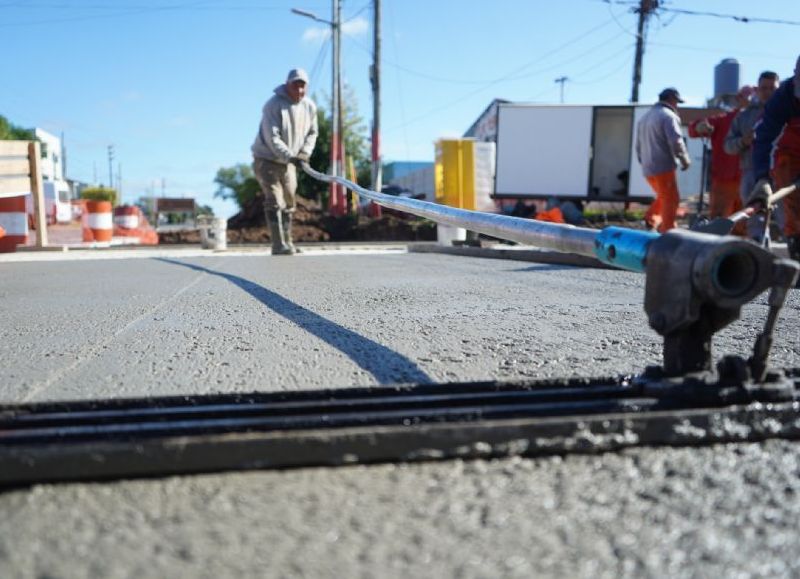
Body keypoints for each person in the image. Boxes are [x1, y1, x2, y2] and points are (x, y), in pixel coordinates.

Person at [252, 68, 318, 255]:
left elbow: (313, 133)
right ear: (287, 85)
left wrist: (305, 153)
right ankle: (278, 244)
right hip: (267, 159)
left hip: (290, 162)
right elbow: (272, 138)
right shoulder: (273, 105)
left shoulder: (309, 107)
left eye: (302, 86)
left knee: (289, 200)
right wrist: (290, 156)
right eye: (295, 86)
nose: (298, 91)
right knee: (275, 200)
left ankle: (288, 242)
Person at [750, 55, 800, 265]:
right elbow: (764, 140)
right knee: (795, 215)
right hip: (790, 156)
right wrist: (762, 178)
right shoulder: (783, 97)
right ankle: (797, 258)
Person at [688, 86, 753, 235]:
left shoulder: (766, 120)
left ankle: (739, 255)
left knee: (745, 225)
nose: (751, 103)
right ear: (739, 99)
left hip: (748, 181)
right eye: (748, 98)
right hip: (725, 181)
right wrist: (699, 126)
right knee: (718, 224)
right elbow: (694, 128)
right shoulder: (724, 120)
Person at [724, 72, 780, 240]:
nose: (768, 92)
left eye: (772, 88)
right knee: (756, 221)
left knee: (789, 219)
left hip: (783, 173)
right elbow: (728, 146)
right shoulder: (744, 117)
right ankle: (759, 256)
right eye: (764, 88)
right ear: (757, 89)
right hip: (751, 173)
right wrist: (743, 141)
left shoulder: (789, 113)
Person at [635, 87, 691, 233]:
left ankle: (651, 220)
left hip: (648, 168)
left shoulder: (645, 118)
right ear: (671, 99)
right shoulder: (668, 116)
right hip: (663, 166)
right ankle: (667, 230)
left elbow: (638, 146)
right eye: (677, 102)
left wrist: (643, 162)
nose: (677, 105)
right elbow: (676, 140)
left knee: (663, 196)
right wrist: (684, 158)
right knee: (671, 199)